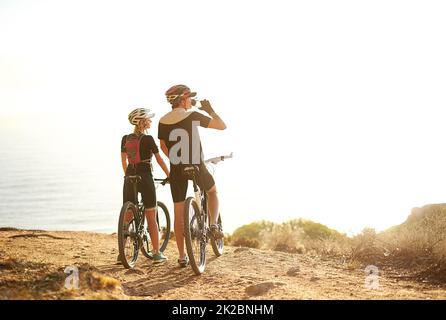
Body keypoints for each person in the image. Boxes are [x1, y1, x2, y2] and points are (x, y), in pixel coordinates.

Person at [158, 84, 227, 267]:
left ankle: (182, 256)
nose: (191, 100)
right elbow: (222, 126)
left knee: (178, 212)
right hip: (196, 166)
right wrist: (210, 110)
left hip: (177, 169)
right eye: (189, 97)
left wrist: (175, 160)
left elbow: (164, 147)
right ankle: (213, 225)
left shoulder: (162, 121)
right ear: (183, 99)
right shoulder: (193, 115)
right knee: (212, 192)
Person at [121, 108, 170, 263]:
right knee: (150, 214)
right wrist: (170, 175)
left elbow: (124, 161)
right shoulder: (148, 139)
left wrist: (129, 175)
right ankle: (156, 253)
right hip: (145, 176)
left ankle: (121, 253)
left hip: (129, 175)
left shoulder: (125, 139)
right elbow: (160, 160)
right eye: (148, 119)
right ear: (142, 122)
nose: (150, 121)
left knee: (128, 215)